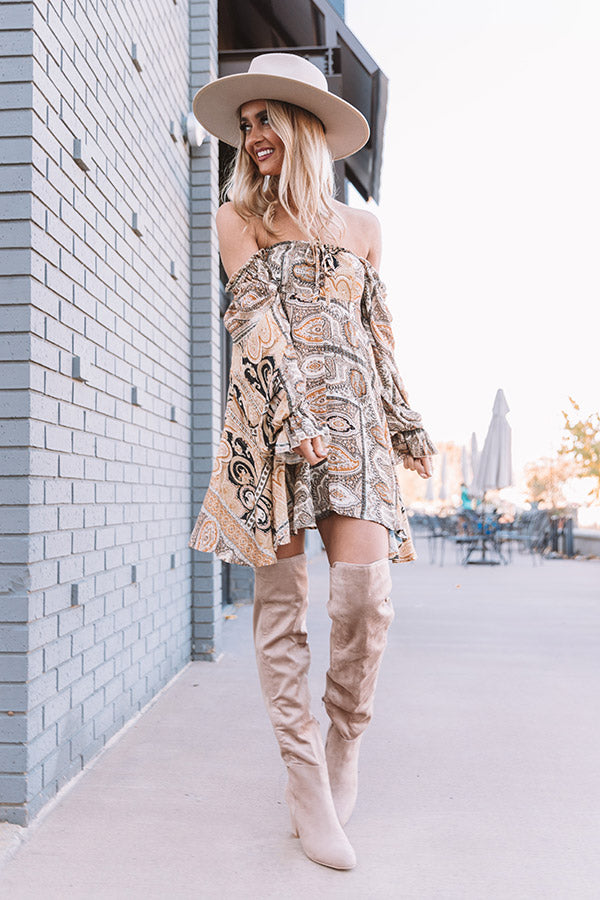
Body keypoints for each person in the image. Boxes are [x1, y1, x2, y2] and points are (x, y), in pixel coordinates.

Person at [188, 53, 437, 870]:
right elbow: (254, 324)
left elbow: (376, 338)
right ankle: (303, 777)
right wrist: (292, 416)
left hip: (355, 431)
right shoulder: (238, 221)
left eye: (266, 118)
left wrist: (403, 421)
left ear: (304, 127)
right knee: (282, 608)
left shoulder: (363, 229)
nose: (253, 134)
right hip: (272, 427)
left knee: (366, 603)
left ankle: (344, 744)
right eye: (245, 123)